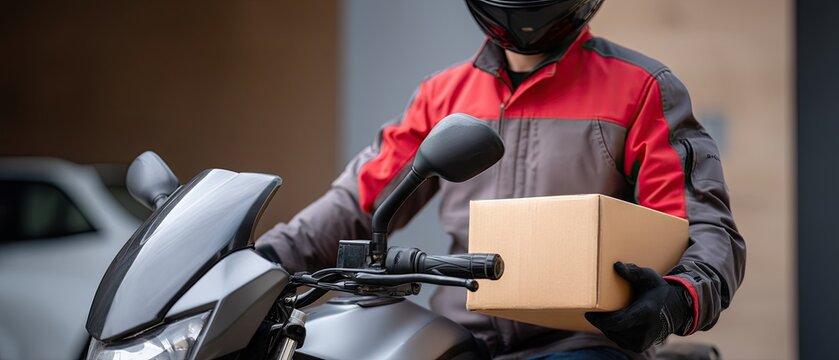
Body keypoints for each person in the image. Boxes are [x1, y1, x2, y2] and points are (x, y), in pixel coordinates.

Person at [255, 1, 746, 359]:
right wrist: (263, 262)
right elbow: (358, 200)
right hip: (455, 331)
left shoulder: (641, 89)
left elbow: (704, 228)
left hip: (581, 339)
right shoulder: (443, 94)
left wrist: (677, 298)